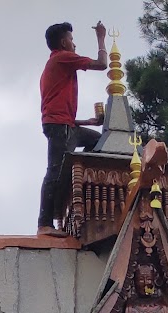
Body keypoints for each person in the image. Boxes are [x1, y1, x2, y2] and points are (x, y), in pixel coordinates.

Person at [37, 20, 108, 237]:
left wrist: (88, 122)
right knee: (54, 171)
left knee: (98, 141)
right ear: (63, 42)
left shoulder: (56, 63)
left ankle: (79, 185)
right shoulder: (62, 58)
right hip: (60, 126)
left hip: (64, 125)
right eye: (71, 39)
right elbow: (102, 64)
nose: (74, 44)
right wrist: (101, 37)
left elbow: (60, 112)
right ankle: (45, 224)